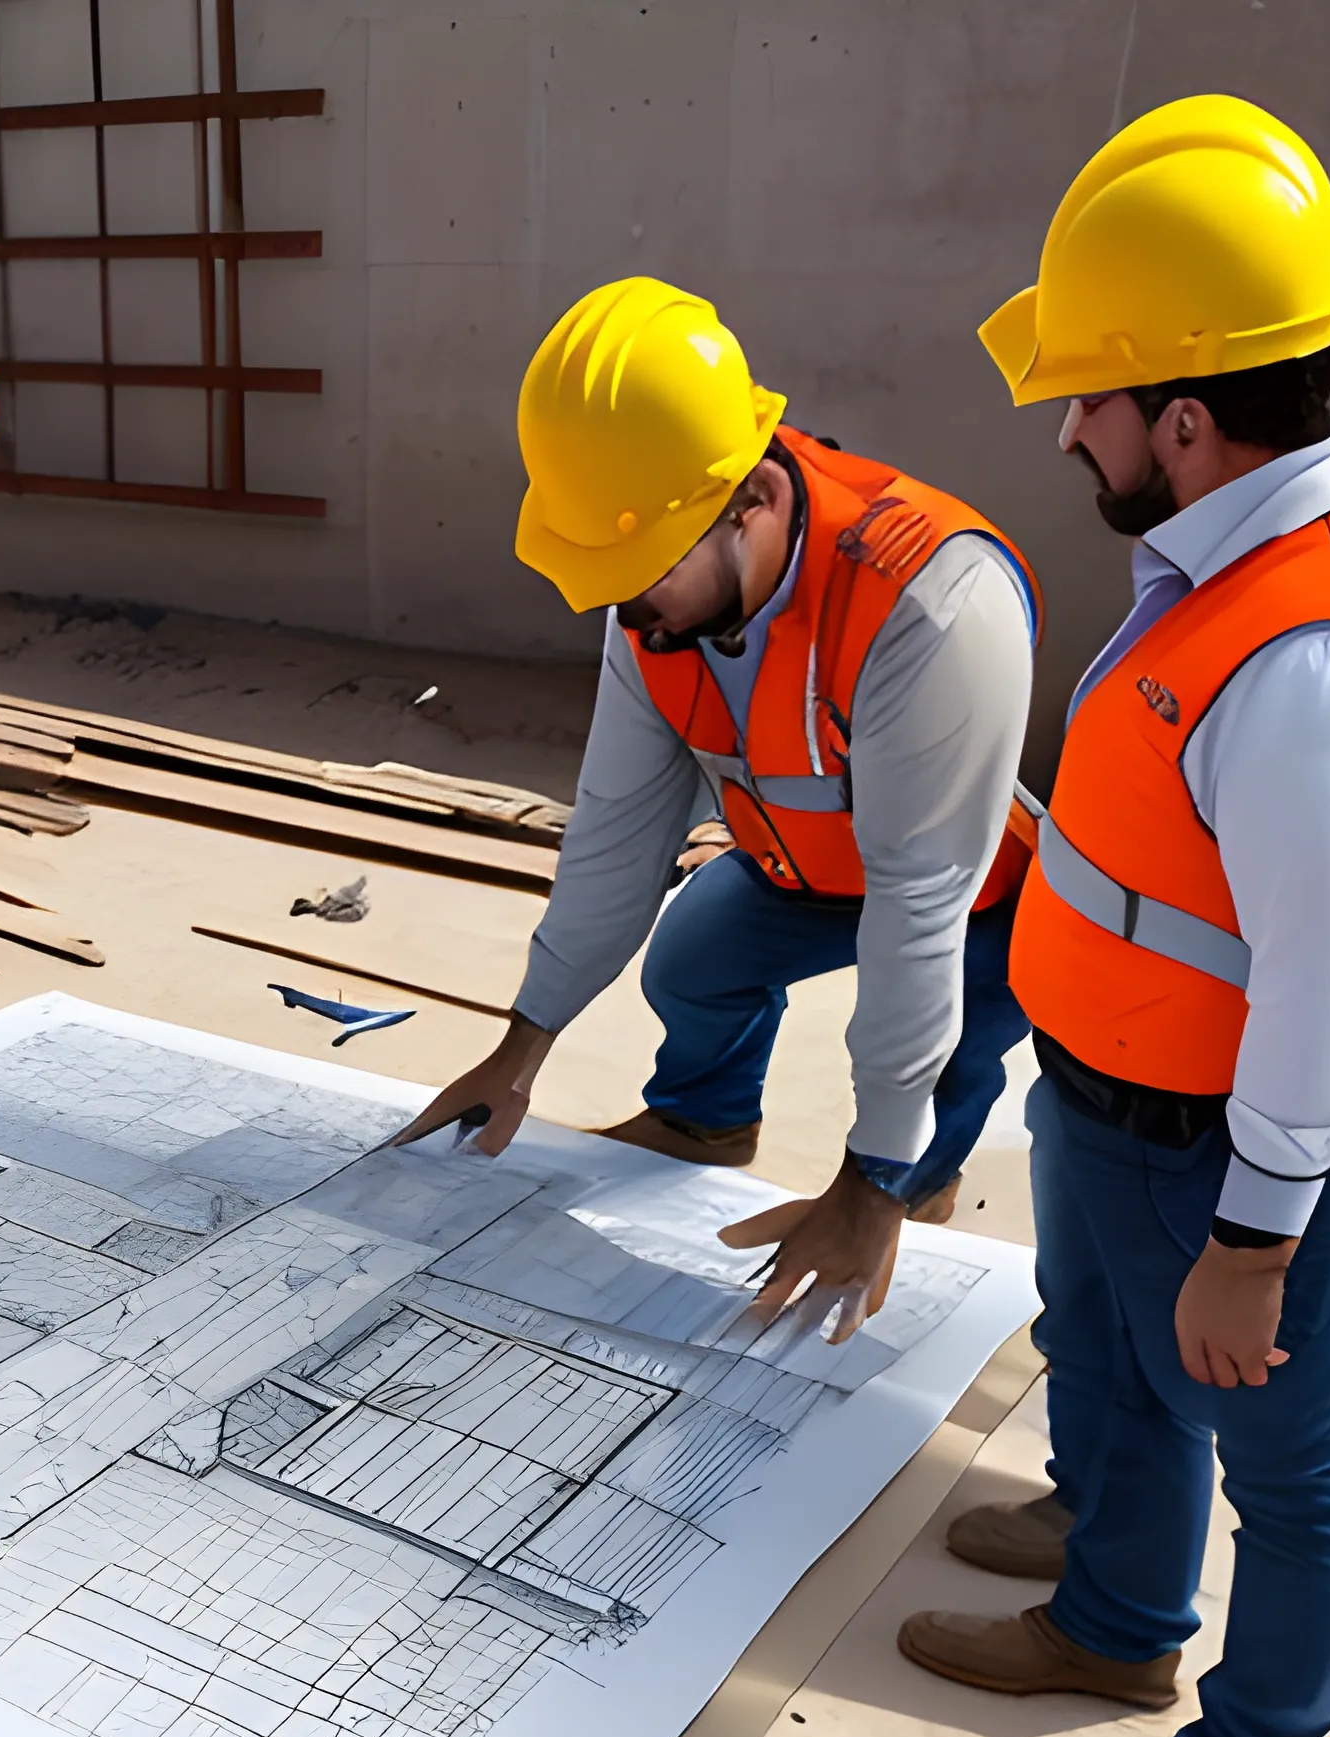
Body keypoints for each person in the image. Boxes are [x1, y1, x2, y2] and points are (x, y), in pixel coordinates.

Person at [898, 96, 1330, 1737]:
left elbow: (1321, 996)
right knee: (1112, 1379)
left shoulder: (1313, 658)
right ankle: (1116, 1613)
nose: (1065, 429)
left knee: (1291, 1474)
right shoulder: (1218, 572)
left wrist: (1250, 1240)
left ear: (1183, 417)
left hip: (1232, 1153)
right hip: (1110, 1106)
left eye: (1085, 398)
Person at [394, 277, 1038, 1340]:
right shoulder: (648, 603)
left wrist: (866, 1182)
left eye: (639, 574)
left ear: (751, 503)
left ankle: (915, 1181)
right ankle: (705, 1121)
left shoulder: (931, 600)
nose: (624, 608)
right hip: (807, 865)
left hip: (977, 902)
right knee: (691, 955)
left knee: (938, 1050)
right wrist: (519, 1053)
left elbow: (919, 909)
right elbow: (613, 836)